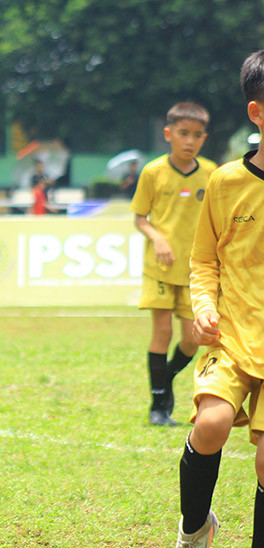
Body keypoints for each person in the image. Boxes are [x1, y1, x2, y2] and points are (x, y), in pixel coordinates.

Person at [163, 50, 264, 548]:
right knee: (211, 424)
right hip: (232, 335)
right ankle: (194, 532)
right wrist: (202, 306)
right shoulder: (225, 182)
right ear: (257, 112)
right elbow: (204, 260)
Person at [131, 102, 216, 426]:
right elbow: (140, 218)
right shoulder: (153, 171)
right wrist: (158, 238)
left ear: (204, 138)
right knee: (162, 331)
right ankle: (158, 406)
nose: (189, 141)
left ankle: (163, 383)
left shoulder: (211, 173)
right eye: (183, 133)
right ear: (168, 134)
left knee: (193, 339)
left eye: (196, 135)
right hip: (161, 266)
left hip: (196, 270)